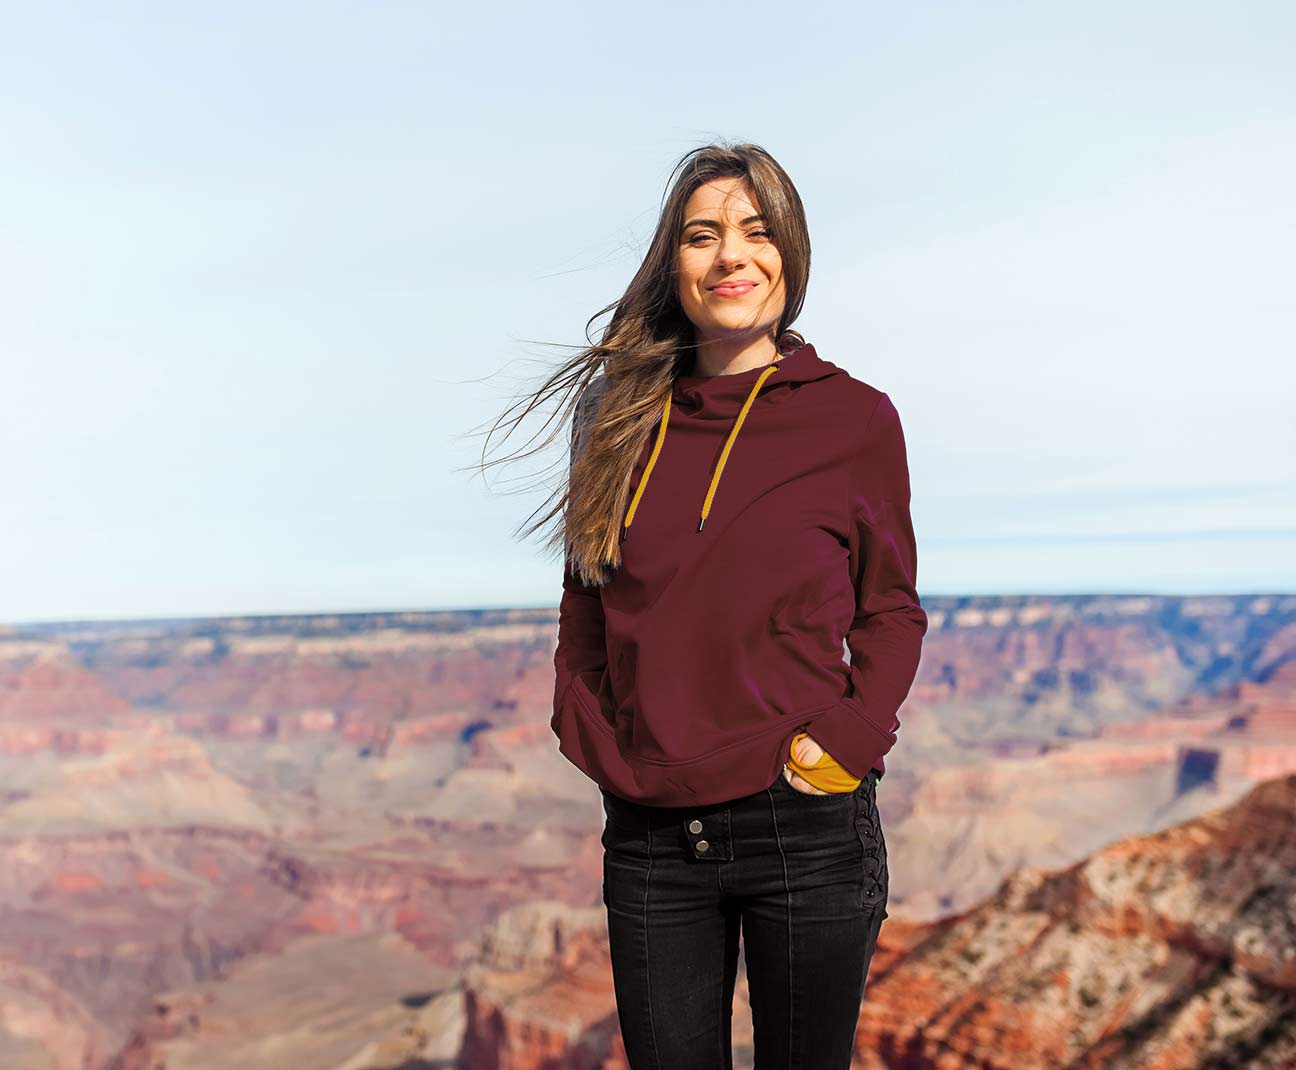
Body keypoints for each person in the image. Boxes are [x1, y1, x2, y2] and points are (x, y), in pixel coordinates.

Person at [548, 142, 927, 1069]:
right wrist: (589, 731)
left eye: (757, 233)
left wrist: (851, 739)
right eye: (703, 235)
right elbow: (585, 599)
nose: (731, 258)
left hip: (800, 819)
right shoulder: (618, 415)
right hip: (650, 835)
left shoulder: (853, 419)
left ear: (790, 256)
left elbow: (891, 609)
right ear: (671, 263)